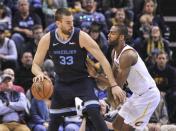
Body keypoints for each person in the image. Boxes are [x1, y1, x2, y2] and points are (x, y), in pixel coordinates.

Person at [31, 8, 126, 131]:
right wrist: (39, 73)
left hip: (82, 81)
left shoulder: (81, 36)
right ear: (58, 23)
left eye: (72, 22)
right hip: (62, 83)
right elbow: (35, 65)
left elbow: (103, 60)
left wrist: (113, 85)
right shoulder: (47, 39)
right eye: (68, 22)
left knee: (94, 112)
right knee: (53, 122)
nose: (72, 25)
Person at [107, 24, 160, 131]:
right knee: (116, 126)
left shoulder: (128, 55)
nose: (108, 35)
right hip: (136, 95)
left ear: (121, 37)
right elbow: (112, 78)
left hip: (148, 96)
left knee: (126, 129)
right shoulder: (114, 53)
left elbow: (118, 85)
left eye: (112, 33)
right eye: (109, 32)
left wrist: (112, 102)